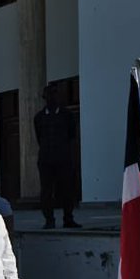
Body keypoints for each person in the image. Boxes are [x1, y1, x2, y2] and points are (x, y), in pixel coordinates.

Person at [35, 82, 81, 229]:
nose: (52, 98)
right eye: (49, 95)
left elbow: (72, 137)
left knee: (67, 189)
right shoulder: (39, 117)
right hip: (46, 159)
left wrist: (71, 157)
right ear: (44, 97)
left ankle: (68, 218)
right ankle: (49, 220)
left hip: (64, 158)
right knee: (46, 191)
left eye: (55, 94)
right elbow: (39, 137)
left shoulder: (67, 115)